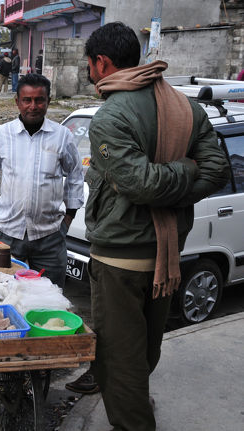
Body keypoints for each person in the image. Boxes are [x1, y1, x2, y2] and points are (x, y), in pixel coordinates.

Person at [69, 22, 230, 431]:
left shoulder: (110, 118)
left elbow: (141, 185)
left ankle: (133, 421)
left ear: (101, 63)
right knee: (144, 352)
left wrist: (162, 177)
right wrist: (185, 169)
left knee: (118, 363)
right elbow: (212, 170)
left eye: (90, 65)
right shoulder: (184, 107)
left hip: (121, 260)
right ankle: (136, 404)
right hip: (168, 256)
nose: (90, 74)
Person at [0, 74, 84, 289]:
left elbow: (75, 174)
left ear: (48, 102)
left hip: (50, 235)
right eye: (27, 100)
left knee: (50, 296)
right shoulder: (1, 135)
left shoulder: (62, 136)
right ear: (17, 101)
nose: (33, 106)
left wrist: (70, 215)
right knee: (3, 291)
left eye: (39, 100)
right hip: (8, 232)